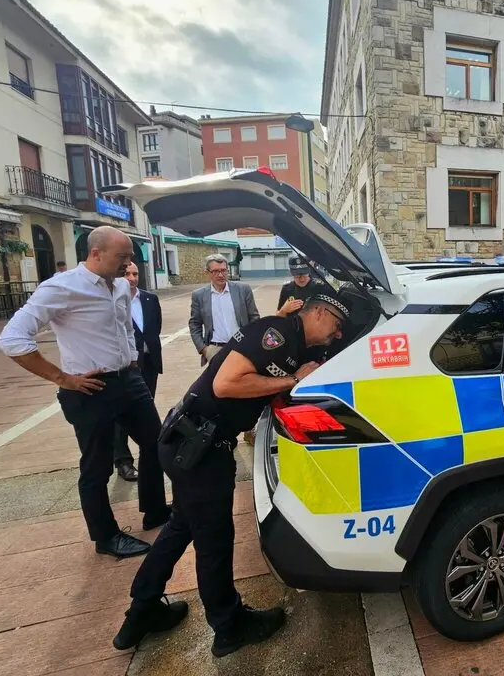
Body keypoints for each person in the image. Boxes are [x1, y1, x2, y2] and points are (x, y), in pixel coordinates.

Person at [113, 294, 349, 657]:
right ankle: (229, 627)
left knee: (180, 528)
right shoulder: (277, 334)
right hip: (200, 449)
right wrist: (291, 380)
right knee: (214, 543)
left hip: (188, 442)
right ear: (318, 312)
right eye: (337, 325)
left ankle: (142, 611)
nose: (337, 334)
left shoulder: (292, 340)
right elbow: (225, 384)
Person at [0, 226, 169, 558]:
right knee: (97, 466)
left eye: (130, 256)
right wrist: (62, 378)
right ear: (96, 253)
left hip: (129, 381)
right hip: (90, 388)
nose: (128, 264)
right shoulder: (62, 287)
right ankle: (106, 537)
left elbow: (124, 327)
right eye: (122, 257)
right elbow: (12, 339)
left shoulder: (120, 285)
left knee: (157, 442)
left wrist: (132, 360)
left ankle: (156, 510)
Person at [114, 263, 164, 483]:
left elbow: (155, 327)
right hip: (125, 367)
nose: (132, 278)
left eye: (135, 274)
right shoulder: (113, 300)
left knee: (145, 411)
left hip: (149, 363)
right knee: (122, 414)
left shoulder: (150, 299)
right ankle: (123, 461)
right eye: (127, 274)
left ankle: (150, 457)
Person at [189, 255, 260, 366]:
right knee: (218, 378)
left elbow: (254, 318)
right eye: (215, 271)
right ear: (207, 273)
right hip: (215, 350)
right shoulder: (199, 295)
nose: (220, 275)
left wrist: (252, 342)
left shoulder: (243, 290)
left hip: (242, 347)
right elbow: (194, 323)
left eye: (223, 270)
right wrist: (203, 349)